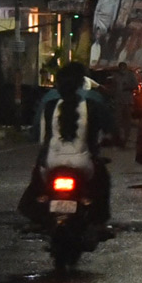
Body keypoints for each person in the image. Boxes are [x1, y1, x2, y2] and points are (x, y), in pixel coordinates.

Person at [19, 61, 114, 233]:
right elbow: (106, 132)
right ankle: (99, 223)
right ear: (81, 82)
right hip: (84, 165)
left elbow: (41, 138)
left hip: (51, 164)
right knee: (103, 184)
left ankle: (38, 220)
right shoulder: (92, 105)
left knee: (35, 189)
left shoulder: (49, 106)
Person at [109, 61, 138, 147]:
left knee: (127, 121)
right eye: (120, 68)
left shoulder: (130, 75)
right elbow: (113, 87)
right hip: (118, 101)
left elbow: (135, 86)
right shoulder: (115, 76)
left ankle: (125, 138)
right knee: (117, 120)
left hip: (127, 101)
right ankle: (118, 138)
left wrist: (128, 87)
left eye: (123, 67)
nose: (122, 69)